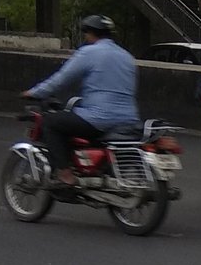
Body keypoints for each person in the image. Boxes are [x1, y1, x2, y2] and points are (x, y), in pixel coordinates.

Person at [22, 13, 138, 186]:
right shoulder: (127, 57)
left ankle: (65, 174)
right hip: (129, 119)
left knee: (50, 122)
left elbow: (60, 80)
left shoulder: (89, 52)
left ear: (90, 33)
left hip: (99, 119)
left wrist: (35, 93)